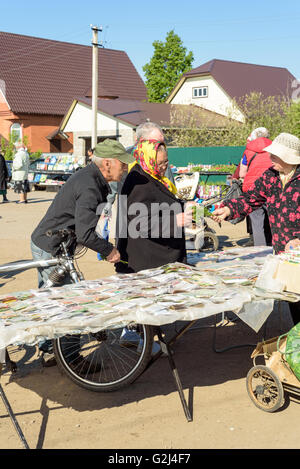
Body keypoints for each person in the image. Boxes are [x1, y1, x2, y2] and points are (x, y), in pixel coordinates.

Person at [31, 139, 134, 365]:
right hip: (50, 246)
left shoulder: (92, 178)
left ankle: (50, 349)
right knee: (70, 302)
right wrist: (110, 251)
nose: (125, 168)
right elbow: (87, 234)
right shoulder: (90, 185)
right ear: (107, 163)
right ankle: (70, 359)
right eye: (122, 164)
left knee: (52, 300)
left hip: (55, 243)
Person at [212, 132, 300, 325]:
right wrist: (228, 209)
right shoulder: (271, 175)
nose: (270, 158)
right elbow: (251, 198)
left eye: (275, 156)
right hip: (284, 255)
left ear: (289, 158)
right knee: (294, 302)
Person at [116, 139, 192, 273]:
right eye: (159, 163)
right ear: (148, 159)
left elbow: (160, 203)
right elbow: (140, 223)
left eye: (166, 162)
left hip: (158, 256)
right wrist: (175, 221)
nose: (164, 167)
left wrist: (183, 206)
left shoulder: (154, 176)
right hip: (150, 261)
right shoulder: (139, 182)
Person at [239, 127, 273, 247]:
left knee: (257, 222)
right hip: (272, 188)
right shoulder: (274, 149)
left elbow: (242, 174)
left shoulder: (248, 151)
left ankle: (260, 251)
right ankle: (276, 248)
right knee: (274, 220)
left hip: (253, 189)